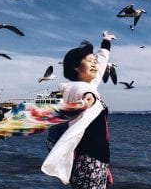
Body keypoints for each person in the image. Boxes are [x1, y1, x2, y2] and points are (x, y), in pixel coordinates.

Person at [42, 30, 116, 188]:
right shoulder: (76, 88)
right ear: (76, 67)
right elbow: (83, 93)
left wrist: (106, 42)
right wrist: (89, 97)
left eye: (94, 60)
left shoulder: (90, 85)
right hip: (88, 161)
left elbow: (102, 64)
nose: (94, 63)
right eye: (89, 61)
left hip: (97, 160)